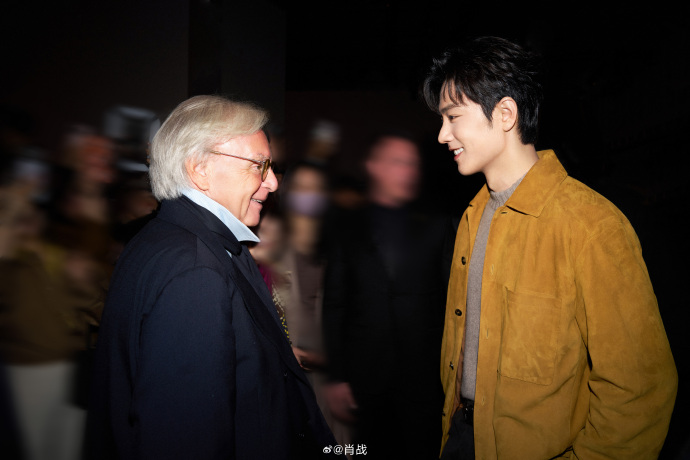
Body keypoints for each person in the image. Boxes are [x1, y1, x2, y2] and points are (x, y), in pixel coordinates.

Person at [421, 36, 677, 459]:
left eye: (452, 117)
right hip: (462, 437)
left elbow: (640, 389)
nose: (442, 134)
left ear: (505, 114)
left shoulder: (591, 225)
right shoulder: (471, 216)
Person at [85, 95, 335, 459]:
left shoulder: (168, 236)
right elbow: (186, 437)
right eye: (259, 165)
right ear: (199, 169)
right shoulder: (195, 269)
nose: (272, 183)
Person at [322, 133, 452, 459]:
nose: (408, 171)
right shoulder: (345, 226)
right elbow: (335, 304)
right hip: (365, 379)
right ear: (374, 167)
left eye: (413, 164)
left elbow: (452, 303)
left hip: (425, 380)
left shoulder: (439, 225)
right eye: (398, 162)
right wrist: (336, 377)